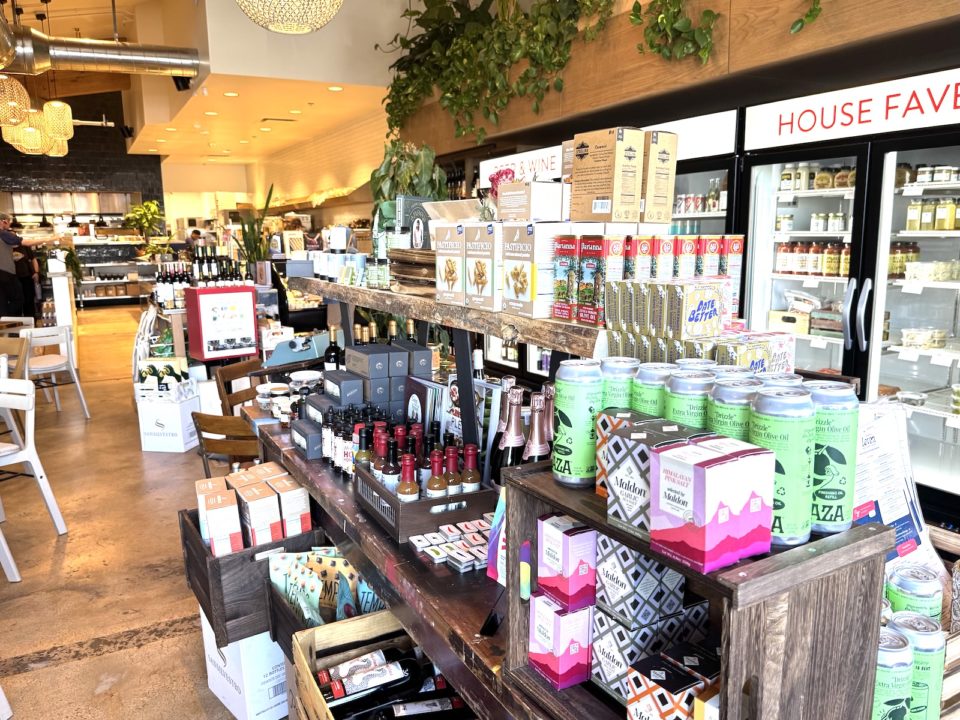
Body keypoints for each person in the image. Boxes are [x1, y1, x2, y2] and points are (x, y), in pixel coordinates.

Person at [0, 213, 25, 316]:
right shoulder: (3, 233)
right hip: (6, 273)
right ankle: (6, 318)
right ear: (3, 221)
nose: (9, 224)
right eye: (8, 221)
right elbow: (26, 242)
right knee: (18, 298)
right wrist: (50, 239)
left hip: (4, 272)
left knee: (2, 301)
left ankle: (4, 320)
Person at [12, 241, 39, 320]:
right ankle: (17, 322)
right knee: (16, 302)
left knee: (29, 300)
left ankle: (31, 321)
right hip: (12, 278)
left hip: (27, 277)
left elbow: (33, 259)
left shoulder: (24, 246)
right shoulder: (6, 247)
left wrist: (36, 272)